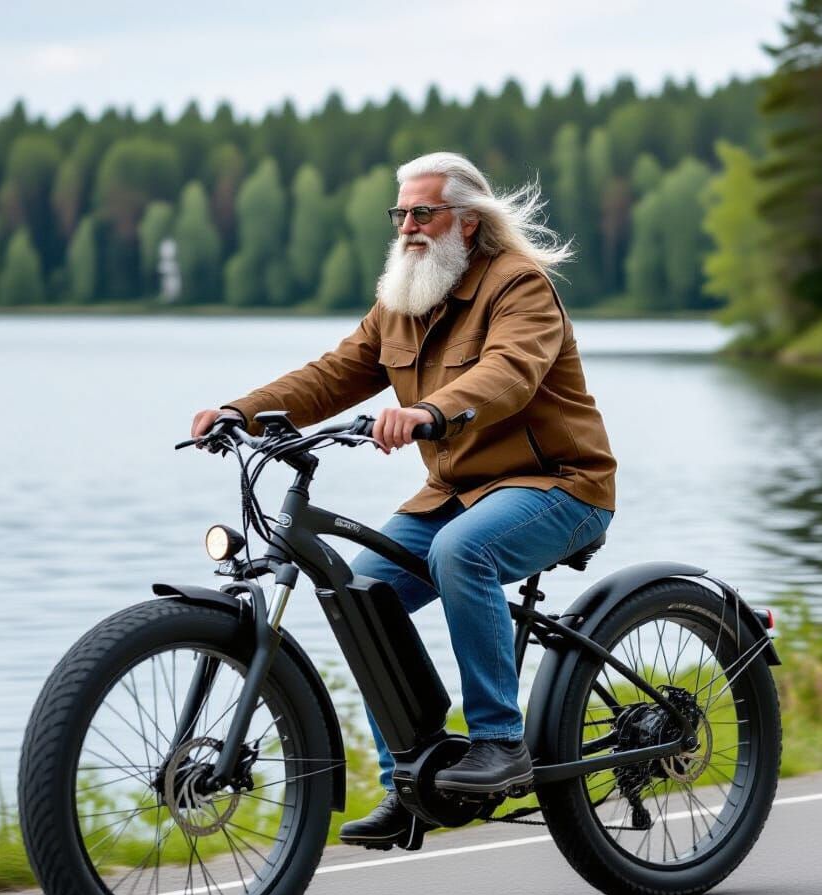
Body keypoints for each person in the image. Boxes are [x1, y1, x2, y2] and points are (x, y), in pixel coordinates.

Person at [191, 152, 616, 850]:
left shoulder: (520, 287)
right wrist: (243, 408)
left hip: (560, 485)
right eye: (402, 214)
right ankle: (411, 780)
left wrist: (431, 413)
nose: (409, 226)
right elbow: (333, 375)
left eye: (425, 212)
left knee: (462, 551)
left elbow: (508, 374)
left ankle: (500, 741)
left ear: (469, 224)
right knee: (362, 594)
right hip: (455, 490)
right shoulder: (402, 302)